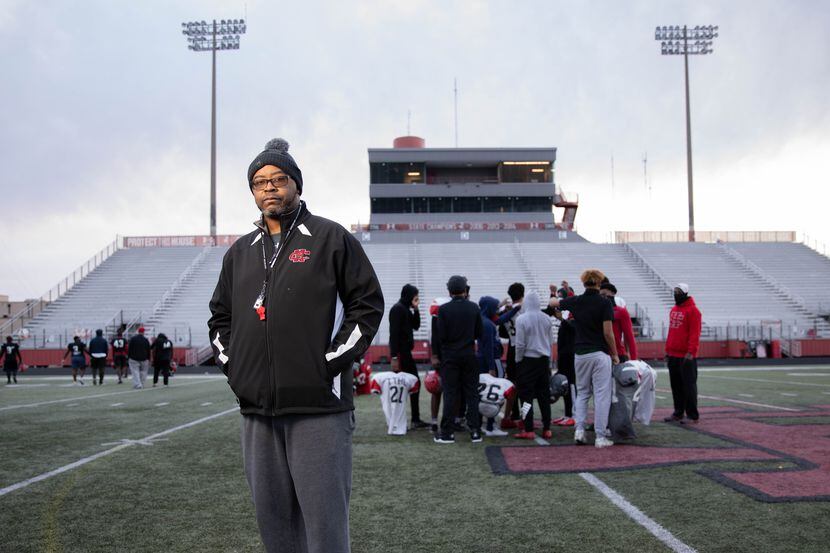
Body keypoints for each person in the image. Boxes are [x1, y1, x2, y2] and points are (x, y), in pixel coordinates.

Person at [208, 138, 383, 553]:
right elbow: (220, 319)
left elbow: (367, 305)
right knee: (275, 525)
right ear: (252, 192)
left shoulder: (330, 238)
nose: (269, 188)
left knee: (324, 526)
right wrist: (237, 371)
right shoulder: (239, 253)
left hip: (318, 407)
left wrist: (326, 365)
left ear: (296, 185)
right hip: (257, 411)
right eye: (259, 182)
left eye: (278, 179)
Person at [548, 269, 619, 448]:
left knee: (582, 393)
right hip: (599, 353)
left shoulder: (576, 300)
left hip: (579, 354)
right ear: (599, 283)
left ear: (584, 282)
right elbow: (608, 332)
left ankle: (579, 431)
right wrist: (615, 353)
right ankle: (600, 436)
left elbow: (553, 303)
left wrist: (558, 305)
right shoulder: (604, 303)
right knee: (602, 396)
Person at [433, 275, 483, 444]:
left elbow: (442, 336)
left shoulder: (444, 310)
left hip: (451, 357)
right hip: (469, 355)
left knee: (450, 394)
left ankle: (447, 433)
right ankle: (475, 431)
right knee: (472, 394)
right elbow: (479, 333)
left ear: (449, 290)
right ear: (465, 290)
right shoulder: (474, 307)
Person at [513, 292, 554, 440]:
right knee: (544, 396)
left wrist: (518, 361)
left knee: (526, 397)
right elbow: (550, 343)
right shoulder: (547, 318)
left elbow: (520, 344)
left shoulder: (521, 319)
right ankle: (547, 428)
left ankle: (528, 427)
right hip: (543, 360)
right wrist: (549, 362)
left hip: (527, 361)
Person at [388, 284, 428, 429]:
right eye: (415, 296)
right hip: (400, 354)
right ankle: (407, 419)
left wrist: (416, 309)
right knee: (406, 385)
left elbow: (416, 325)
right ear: (409, 295)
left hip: (406, 353)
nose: (416, 298)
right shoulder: (397, 309)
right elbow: (393, 334)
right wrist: (393, 357)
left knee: (412, 384)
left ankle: (413, 419)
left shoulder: (405, 309)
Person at [664, 283, 702, 424]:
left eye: (678, 292)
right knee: (676, 385)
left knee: (689, 386)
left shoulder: (694, 311)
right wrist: (668, 350)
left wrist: (691, 351)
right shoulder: (673, 309)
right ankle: (678, 412)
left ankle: (692, 415)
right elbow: (671, 332)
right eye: (675, 291)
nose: (676, 294)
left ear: (685, 293)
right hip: (673, 354)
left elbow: (695, 333)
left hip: (686, 356)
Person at [477, 295, 508, 437]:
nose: (496, 310)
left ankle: (479, 424)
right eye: (494, 308)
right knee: (495, 393)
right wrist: (492, 367)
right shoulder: (488, 324)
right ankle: (491, 425)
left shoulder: (481, 320)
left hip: (481, 360)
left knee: (481, 393)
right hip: (492, 361)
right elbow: (489, 347)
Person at [497, 283, 524, 430]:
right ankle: (525, 416)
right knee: (525, 385)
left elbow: (502, 333)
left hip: (512, 349)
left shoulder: (505, 311)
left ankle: (514, 414)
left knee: (512, 384)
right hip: (525, 350)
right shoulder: (524, 309)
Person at [370, 365, 421, 435]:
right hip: (401, 397)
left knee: (389, 409)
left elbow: (375, 389)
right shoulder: (410, 378)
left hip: (389, 394)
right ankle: (398, 426)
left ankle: (393, 426)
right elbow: (414, 389)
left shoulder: (379, 377)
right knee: (399, 409)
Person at [600, 282, 639, 362]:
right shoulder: (597, 311)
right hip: (601, 355)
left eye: (605, 294)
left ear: (613, 293)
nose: (603, 297)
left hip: (618, 354)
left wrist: (634, 360)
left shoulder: (621, 312)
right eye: (601, 295)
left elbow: (629, 336)